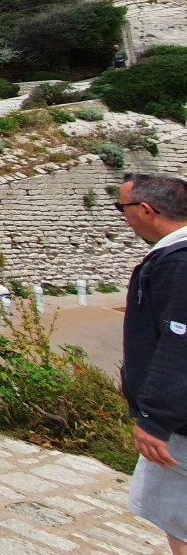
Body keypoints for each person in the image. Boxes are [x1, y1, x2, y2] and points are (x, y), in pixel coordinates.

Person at [116, 173, 187, 553]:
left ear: (146, 210)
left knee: (180, 519)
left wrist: (156, 419)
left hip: (179, 424)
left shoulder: (178, 264)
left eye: (121, 208)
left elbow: (180, 344)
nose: (123, 218)